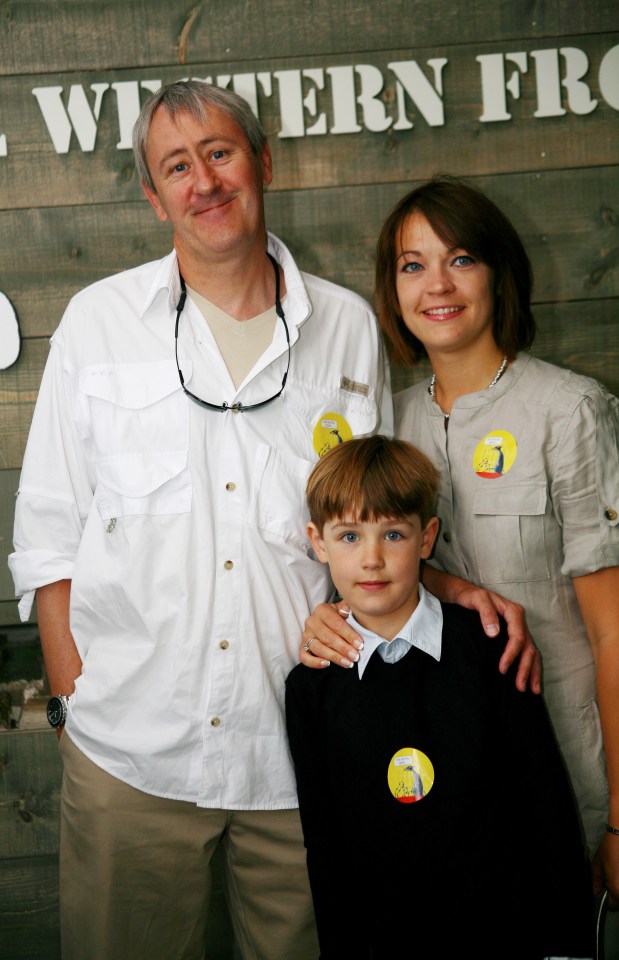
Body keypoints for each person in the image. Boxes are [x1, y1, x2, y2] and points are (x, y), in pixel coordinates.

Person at [8, 85, 534, 960]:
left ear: (263, 164)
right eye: (177, 166)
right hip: (130, 756)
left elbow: (373, 518)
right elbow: (48, 534)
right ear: (153, 195)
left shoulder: (345, 328)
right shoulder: (97, 325)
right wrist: (73, 696)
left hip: (304, 752)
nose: (203, 181)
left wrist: (458, 591)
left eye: (220, 153)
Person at [369, 175, 617, 906]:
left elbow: (612, 633)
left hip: (568, 772)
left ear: (499, 273)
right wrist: (446, 585)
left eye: (460, 258)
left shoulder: (568, 411)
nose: (435, 285)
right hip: (449, 779)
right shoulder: (388, 426)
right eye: (412, 265)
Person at [286, 435, 594, 959]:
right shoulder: (310, 687)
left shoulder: (490, 648)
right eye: (349, 537)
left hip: (504, 934)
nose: (373, 560)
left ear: (427, 538)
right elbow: (326, 847)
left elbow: (544, 803)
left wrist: (566, 947)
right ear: (318, 543)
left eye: (394, 534)